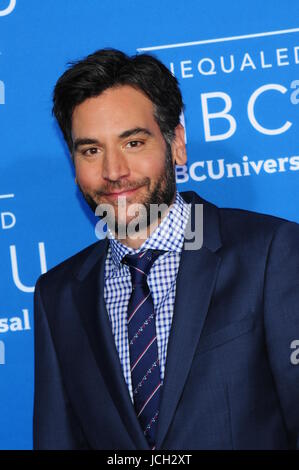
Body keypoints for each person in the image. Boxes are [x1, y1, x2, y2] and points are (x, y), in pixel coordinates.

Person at [33, 48, 299, 450]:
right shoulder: (58, 295)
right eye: (91, 150)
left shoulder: (270, 253)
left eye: (133, 142)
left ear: (176, 143)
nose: (113, 171)